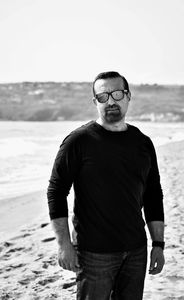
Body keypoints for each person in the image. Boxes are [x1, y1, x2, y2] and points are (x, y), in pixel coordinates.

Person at [47, 71, 165, 300]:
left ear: (128, 96)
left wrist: (158, 243)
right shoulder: (78, 141)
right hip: (93, 254)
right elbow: (56, 191)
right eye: (103, 97)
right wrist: (64, 245)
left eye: (117, 93)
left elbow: (153, 195)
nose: (110, 101)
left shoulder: (142, 143)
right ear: (95, 102)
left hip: (136, 252)